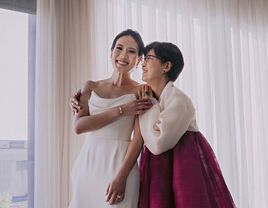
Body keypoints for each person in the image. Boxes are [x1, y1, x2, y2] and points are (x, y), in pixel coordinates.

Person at [105, 41, 236, 207]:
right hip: (159, 170)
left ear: (166, 66)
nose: (143, 63)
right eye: (143, 58)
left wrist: (149, 104)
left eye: (149, 58)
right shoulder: (148, 95)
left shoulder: (179, 100)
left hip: (183, 168)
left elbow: (158, 143)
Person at [68, 29, 153, 208]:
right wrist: (121, 110)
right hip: (88, 164)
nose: (123, 55)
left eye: (131, 51)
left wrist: (121, 178)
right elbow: (79, 127)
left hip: (121, 165)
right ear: (111, 52)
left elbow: (138, 140)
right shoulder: (90, 86)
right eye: (119, 48)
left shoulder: (142, 91)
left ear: (138, 60)